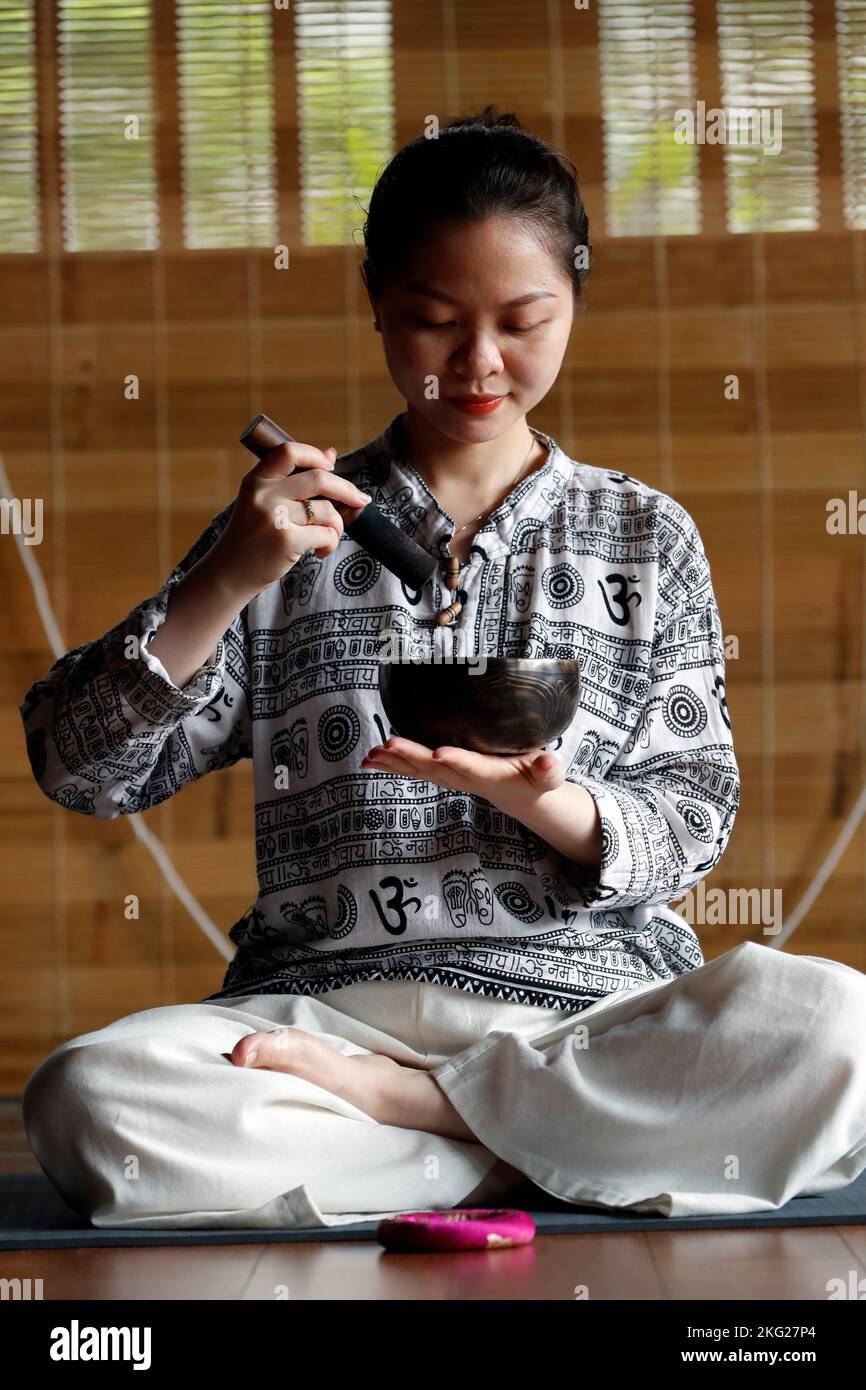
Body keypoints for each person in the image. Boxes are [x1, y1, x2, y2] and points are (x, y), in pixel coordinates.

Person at [20, 108, 866, 1230]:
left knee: (836, 1031)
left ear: (575, 294)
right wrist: (226, 575)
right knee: (88, 1101)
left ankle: (428, 1121)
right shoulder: (291, 531)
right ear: (376, 299)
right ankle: (524, 1153)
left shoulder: (642, 532)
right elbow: (80, 768)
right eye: (430, 321)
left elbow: (694, 815)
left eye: (524, 322)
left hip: (584, 1022)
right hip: (326, 1014)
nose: (476, 366)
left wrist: (556, 805)